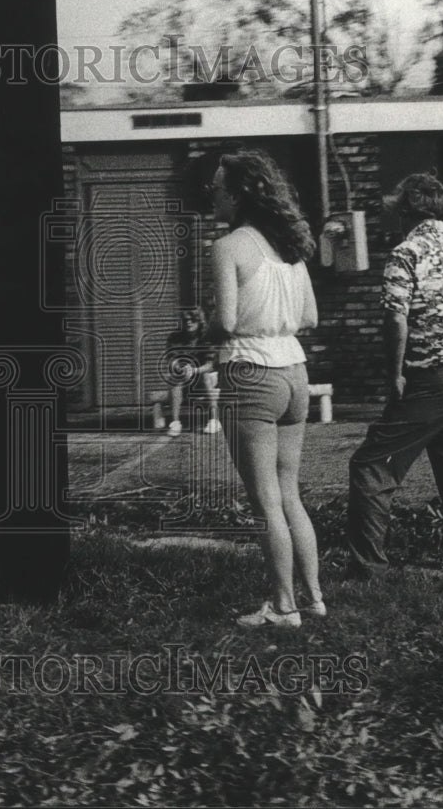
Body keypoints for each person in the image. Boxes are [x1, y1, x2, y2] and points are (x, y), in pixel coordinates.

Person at [347, 173, 443, 602]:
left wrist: (394, 373)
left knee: (371, 466)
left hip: (427, 379)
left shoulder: (406, 254)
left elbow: (395, 317)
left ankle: (367, 575)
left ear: (406, 211)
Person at [208, 148, 323, 628]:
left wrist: (208, 322)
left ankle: (282, 607)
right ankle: (314, 597)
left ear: (236, 195)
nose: (211, 194)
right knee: (289, 492)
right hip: (295, 372)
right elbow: (311, 319)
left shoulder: (229, 246)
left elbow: (228, 323)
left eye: (216, 187)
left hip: (251, 373)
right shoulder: (290, 247)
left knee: (265, 502)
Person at [150, 308, 221, 436]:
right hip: (185, 378)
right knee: (175, 378)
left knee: (205, 376)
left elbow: (210, 364)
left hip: (203, 376)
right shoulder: (175, 338)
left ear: (199, 321)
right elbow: (171, 360)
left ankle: (214, 420)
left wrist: (194, 370)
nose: (189, 322)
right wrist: (179, 368)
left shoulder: (206, 338)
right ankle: (175, 423)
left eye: (192, 319)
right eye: (185, 320)